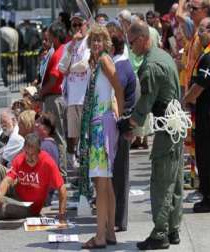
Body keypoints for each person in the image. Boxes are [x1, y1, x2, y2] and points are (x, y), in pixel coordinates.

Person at [127, 21, 183, 250]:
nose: (131, 48)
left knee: (161, 180)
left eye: (132, 43)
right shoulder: (164, 55)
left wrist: (129, 125)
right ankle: (173, 229)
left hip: (166, 127)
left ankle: (160, 233)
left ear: (142, 38)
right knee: (175, 179)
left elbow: (145, 103)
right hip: (176, 125)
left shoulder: (151, 65)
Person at [80, 24, 124, 249]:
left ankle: (100, 236)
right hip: (99, 124)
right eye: (93, 39)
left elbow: (118, 87)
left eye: (100, 39)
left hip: (101, 127)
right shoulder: (96, 63)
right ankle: (109, 232)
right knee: (104, 183)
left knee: (102, 183)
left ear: (105, 42)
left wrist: (121, 116)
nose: (96, 43)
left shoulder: (105, 60)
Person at [183, 17, 210, 213]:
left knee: (208, 157)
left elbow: (200, 86)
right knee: (201, 155)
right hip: (202, 110)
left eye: (202, 30)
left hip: (208, 110)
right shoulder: (205, 53)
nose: (199, 34)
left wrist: (186, 99)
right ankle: (206, 194)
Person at [106, 19, 137, 232]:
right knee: (113, 174)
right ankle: (114, 217)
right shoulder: (117, 63)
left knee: (119, 175)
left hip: (121, 125)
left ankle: (119, 220)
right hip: (117, 124)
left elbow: (118, 96)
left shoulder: (120, 66)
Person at [58, 12, 91, 171]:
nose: (77, 28)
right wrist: (71, 48)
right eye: (74, 25)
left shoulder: (89, 42)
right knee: (72, 133)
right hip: (72, 96)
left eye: (80, 24)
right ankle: (73, 160)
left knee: (85, 133)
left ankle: (85, 164)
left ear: (86, 25)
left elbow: (84, 65)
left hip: (85, 95)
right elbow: (60, 67)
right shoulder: (70, 45)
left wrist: (69, 69)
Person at [40, 21, 67, 177]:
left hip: (54, 98)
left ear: (55, 37)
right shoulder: (59, 51)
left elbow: (53, 80)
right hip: (54, 96)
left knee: (57, 135)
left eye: (50, 36)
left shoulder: (59, 53)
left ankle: (61, 173)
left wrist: (41, 92)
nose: (48, 39)